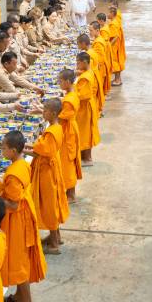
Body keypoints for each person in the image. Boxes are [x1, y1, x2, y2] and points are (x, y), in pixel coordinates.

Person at [0, 131, 45, 302]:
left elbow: (13, 203)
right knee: (21, 259)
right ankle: (20, 297)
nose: (1, 150)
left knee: (19, 261)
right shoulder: (20, 164)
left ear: (12, 150)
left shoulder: (13, 172)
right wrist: (0, 181)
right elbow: (15, 190)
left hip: (17, 221)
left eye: (3, 148)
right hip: (23, 216)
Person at [27, 99, 69, 254]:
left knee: (48, 206)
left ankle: (54, 245)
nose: (42, 112)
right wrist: (27, 146)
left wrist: (20, 151)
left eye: (44, 110)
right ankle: (55, 236)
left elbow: (42, 151)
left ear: (52, 113)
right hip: (50, 168)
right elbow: (41, 147)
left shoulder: (52, 132)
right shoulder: (55, 127)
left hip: (47, 172)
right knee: (52, 204)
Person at [57, 69, 83, 202]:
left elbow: (61, 118)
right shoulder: (70, 94)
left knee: (67, 162)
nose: (58, 83)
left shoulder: (69, 100)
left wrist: (45, 111)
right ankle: (69, 191)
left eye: (60, 81)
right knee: (67, 161)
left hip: (68, 132)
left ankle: (71, 194)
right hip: (70, 129)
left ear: (67, 82)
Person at [75, 51, 101, 166]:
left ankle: (88, 159)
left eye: (78, 63)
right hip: (85, 107)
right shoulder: (87, 72)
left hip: (85, 108)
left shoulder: (85, 77)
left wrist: (70, 92)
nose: (77, 66)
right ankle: (83, 156)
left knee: (85, 133)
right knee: (83, 132)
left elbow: (83, 96)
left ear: (85, 62)